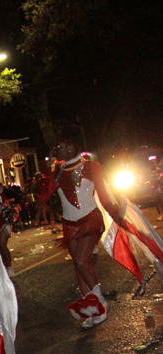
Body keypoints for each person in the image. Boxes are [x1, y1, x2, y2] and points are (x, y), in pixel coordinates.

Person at [37, 125, 121, 328]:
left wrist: (117, 216)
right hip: (69, 225)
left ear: (72, 146)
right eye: (55, 146)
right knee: (78, 265)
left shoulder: (92, 167)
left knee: (83, 261)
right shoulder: (57, 174)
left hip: (90, 221)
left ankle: (101, 304)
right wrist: (47, 167)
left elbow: (103, 194)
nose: (56, 149)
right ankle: (89, 309)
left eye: (60, 145)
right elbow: (42, 196)